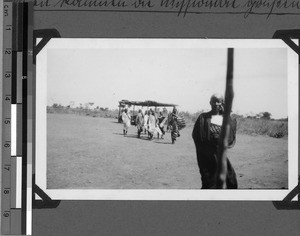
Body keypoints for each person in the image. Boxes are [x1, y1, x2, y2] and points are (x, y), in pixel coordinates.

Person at [192, 94, 238, 189]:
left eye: (219, 101)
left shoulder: (225, 118)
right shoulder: (203, 118)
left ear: (222, 103)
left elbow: (230, 136)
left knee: (230, 180)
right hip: (205, 156)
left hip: (219, 155)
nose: (216, 104)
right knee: (209, 182)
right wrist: (210, 139)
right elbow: (196, 136)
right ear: (210, 103)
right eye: (214, 101)